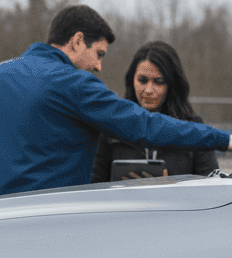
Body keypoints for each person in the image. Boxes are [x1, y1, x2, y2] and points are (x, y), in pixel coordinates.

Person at [0, 5, 232, 200]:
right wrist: (227, 140)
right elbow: (145, 126)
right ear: (77, 41)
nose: (99, 66)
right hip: (44, 229)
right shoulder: (75, 84)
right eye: (99, 54)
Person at [91, 41, 218, 182]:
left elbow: (211, 190)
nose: (149, 90)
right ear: (131, 79)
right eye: (142, 80)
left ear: (172, 84)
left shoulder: (195, 129)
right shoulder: (111, 128)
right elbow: (94, 187)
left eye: (158, 81)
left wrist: (170, 190)